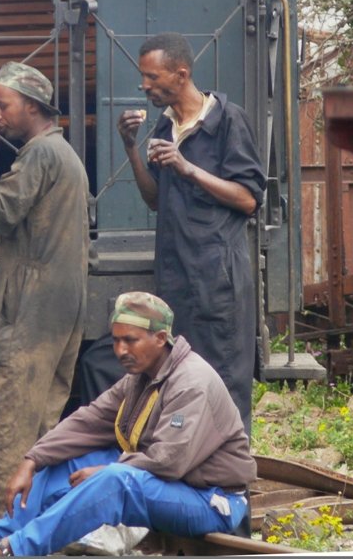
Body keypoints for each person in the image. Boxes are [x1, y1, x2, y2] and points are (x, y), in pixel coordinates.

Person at [0, 292, 257, 556]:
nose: (121, 350)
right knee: (66, 462)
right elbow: (89, 420)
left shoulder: (191, 383)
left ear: (161, 338)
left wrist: (108, 471)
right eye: (116, 340)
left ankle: (11, 550)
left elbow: (170, 460)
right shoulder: (141, 378)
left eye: (130, 341)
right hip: (170, 484)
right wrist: (33, 459)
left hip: (210, 500)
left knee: (116, 480)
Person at [0, 62, 91, 542]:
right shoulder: (65, 154)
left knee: (3, 430)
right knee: (38, 432)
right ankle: (20, 532)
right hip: (60, 315)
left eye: (2, 104)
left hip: (28, 314)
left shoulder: (37, 156)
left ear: (32, 106)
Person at [108, 32, 267, 437]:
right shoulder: (165, 125)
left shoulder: (228, 121)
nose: (144, 85)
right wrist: (130, 148)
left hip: (217, 281)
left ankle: (231, 486)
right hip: (176, 278)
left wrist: (187, 167)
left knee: (223, 382)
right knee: (179, 385)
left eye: (152, 76)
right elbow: (156, 201)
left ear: (181, 74)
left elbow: (249, 199)